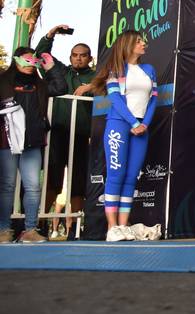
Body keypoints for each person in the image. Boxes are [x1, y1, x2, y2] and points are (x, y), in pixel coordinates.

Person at [90, 31, 158, 241]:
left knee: (130, 178)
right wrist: (134, 122)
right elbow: (116, 100)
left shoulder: (149, 69)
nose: (143, 43)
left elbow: (153, 100)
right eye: (138, 41)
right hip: (119, 125)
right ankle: (112, 228)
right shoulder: (116, 69)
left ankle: (123, 226)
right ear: (127, 45)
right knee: (116, 175)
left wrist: (144, 123)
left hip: (141, 129)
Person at [0, 47, 67, 243]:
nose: (30, 63)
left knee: (33, 186)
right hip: (7, 142)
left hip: (33, 142)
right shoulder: (3, 81)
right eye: (26, 60)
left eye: (33, 60)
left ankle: (30, 230)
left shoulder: (40, 84)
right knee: (6, 186)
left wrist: (51, 67)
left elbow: (62, 88)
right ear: (16, 60)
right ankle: (3, 230)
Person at [35, 24, 94, 240]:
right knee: (52, 179)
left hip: (81, 136)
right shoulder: (60, 72)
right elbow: (41, 56)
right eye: (75, 55)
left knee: (78, 182)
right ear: (70, 57)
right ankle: (39, 223)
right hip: (58, 134)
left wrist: (90, 87)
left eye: (83, 56)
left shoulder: (96, 77)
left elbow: (107, 85)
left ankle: (74, 229)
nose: (78, 59)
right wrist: (50, 35)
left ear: (90, 58)